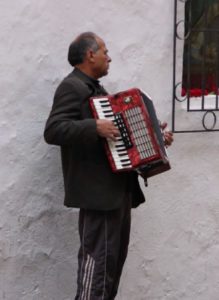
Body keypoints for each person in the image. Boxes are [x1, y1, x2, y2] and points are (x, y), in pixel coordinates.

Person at [44, 32, 173, 300]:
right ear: (90, 55)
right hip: (98, 198)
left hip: (117, 195)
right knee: (96, 272)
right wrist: (94, 126)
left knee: (111, 269)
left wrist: (156, 137)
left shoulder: (98, 92)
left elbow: (122, 141)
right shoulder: (72, 87)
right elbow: (53, 130)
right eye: (105, 51)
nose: (109, 57)